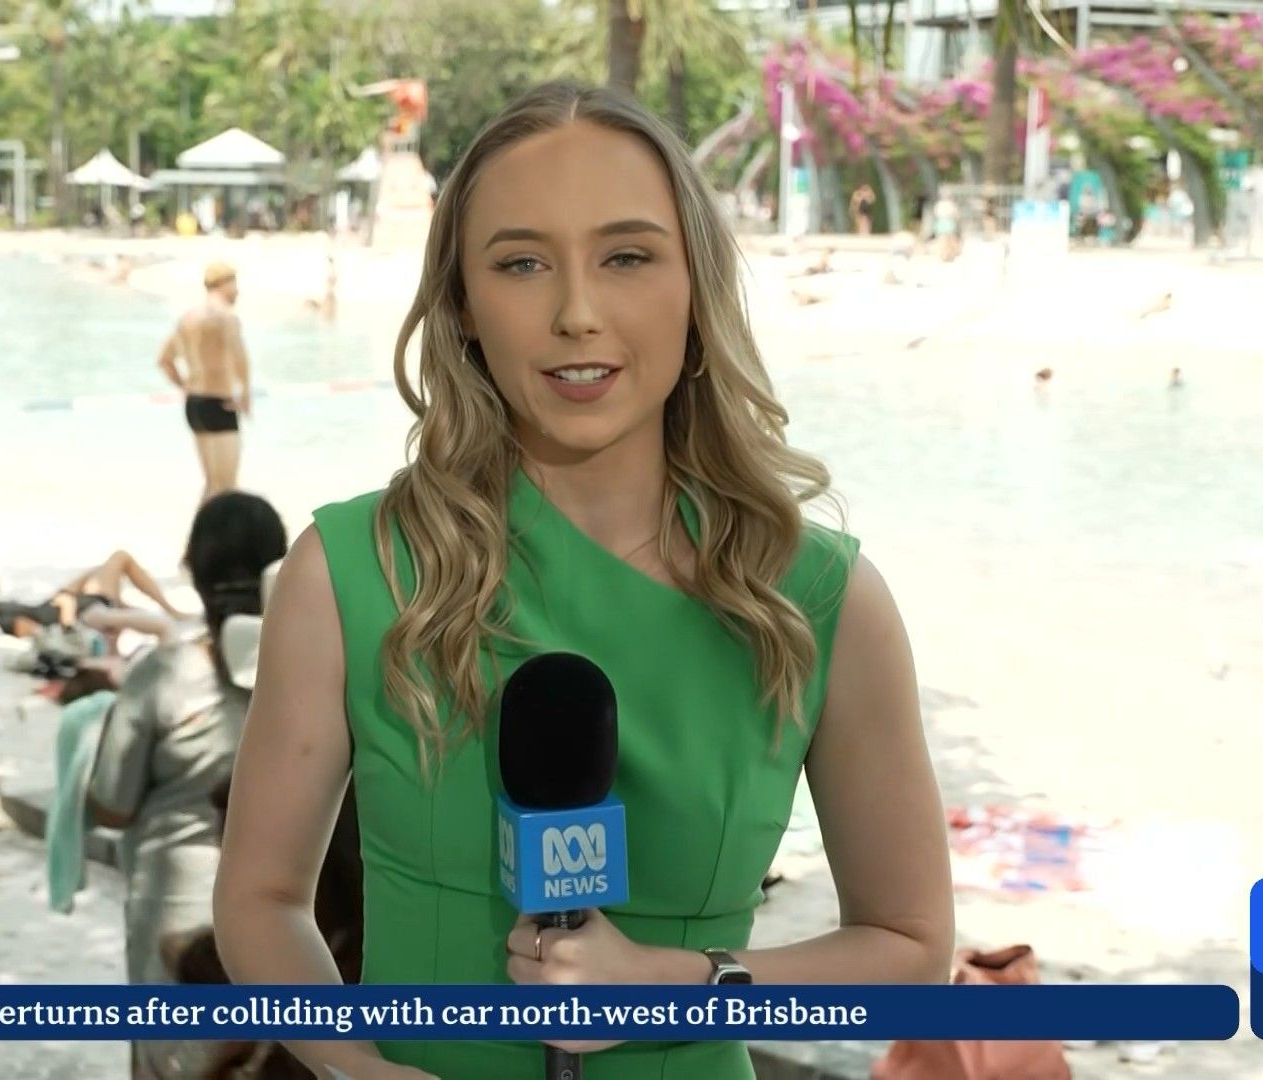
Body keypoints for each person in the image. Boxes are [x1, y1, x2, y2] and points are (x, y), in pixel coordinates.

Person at [213, 82, 954, 1080]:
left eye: (627, 257)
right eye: (521, 263)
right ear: (463, 305)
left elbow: (911, 952)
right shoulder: (351, 573)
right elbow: (259, 901)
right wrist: (355, 1067)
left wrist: (678, 983)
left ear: (696, 286)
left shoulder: (820, 601)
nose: (576, 314)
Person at [87, 492, 289, 1080]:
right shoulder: (317, 668)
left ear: (193, 572)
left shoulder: (163, 673)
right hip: (291, 912)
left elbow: (112, 806)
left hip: (174, 907)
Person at [158, 263, 252, 502]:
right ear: (224, 284)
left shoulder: (187, 319)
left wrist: (184, 386)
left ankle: (200, 527)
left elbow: (165, 360)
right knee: (227, 490)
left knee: (211, 486)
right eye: (235, 284)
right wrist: (245, 394)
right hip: (219, 403)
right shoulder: (226, 318)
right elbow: (239, 357)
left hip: (194, 404)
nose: (238, 291)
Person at [0, 551, 186, 644]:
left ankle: (123, 605)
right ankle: (169, 610)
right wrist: (68, 611)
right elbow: (46, 636)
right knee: (120, 559)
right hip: (77, 611)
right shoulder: (3, 617)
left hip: (56, 604)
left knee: (98, 569)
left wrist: (61, 599)